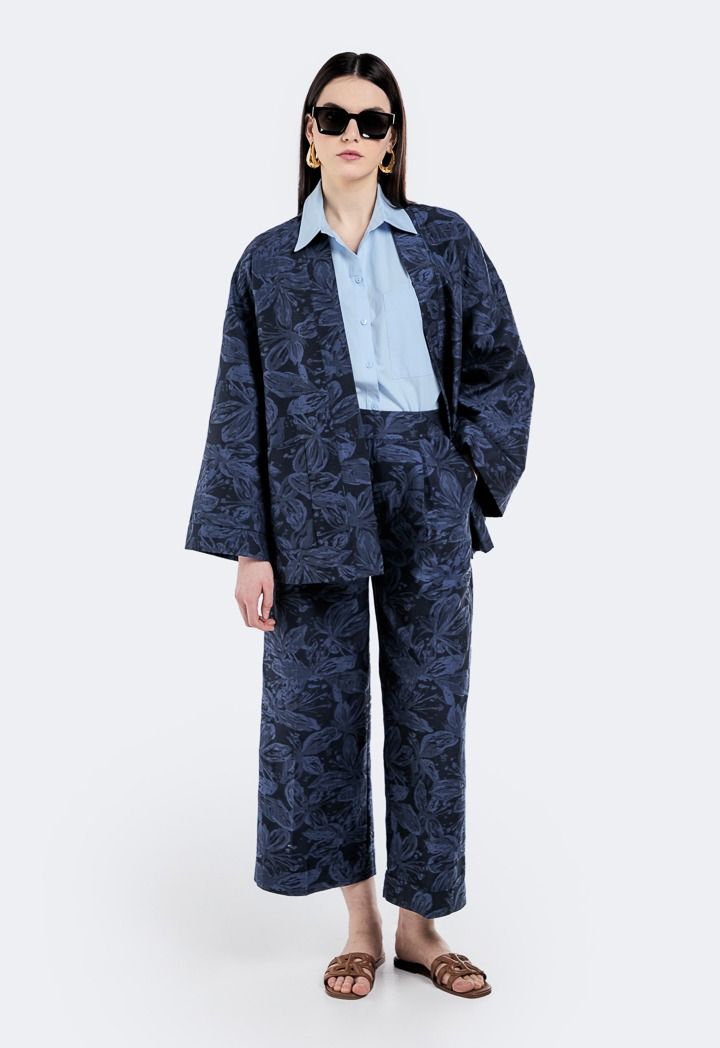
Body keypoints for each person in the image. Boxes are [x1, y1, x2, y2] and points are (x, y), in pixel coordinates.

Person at [185, 51, 534, 1001]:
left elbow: (503, 368)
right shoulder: (267, 262)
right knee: (319, 705)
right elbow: (240, 406)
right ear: (309, 136)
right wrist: (250, 545)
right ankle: (360, 924)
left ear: (392, 141)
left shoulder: (444, 241)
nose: (351, 133)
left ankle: (423, 927)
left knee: (431, 705)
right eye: (333, 117)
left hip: (425, 481)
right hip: (309, 494)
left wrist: (465, 475)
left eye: (371, 120)